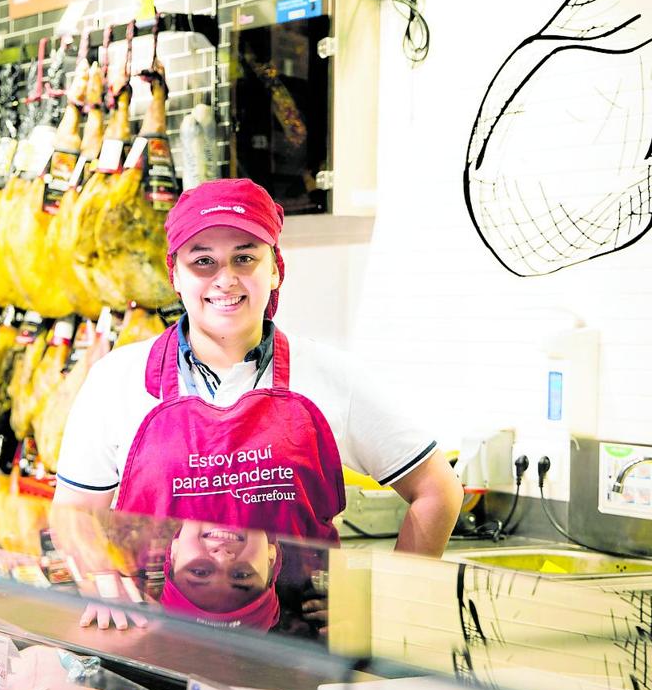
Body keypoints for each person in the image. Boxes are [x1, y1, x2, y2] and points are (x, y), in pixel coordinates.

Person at [53, 178, 463, 560]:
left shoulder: (330, 376)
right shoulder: (117, 379)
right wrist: (101, 581)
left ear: (275, 270)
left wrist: (388, 601)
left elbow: (437, 491)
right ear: (174, 275)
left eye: (244, 258)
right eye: (203, 261)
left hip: (293, 635)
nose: (225, 280)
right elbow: (74, 514)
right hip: (158, 631)